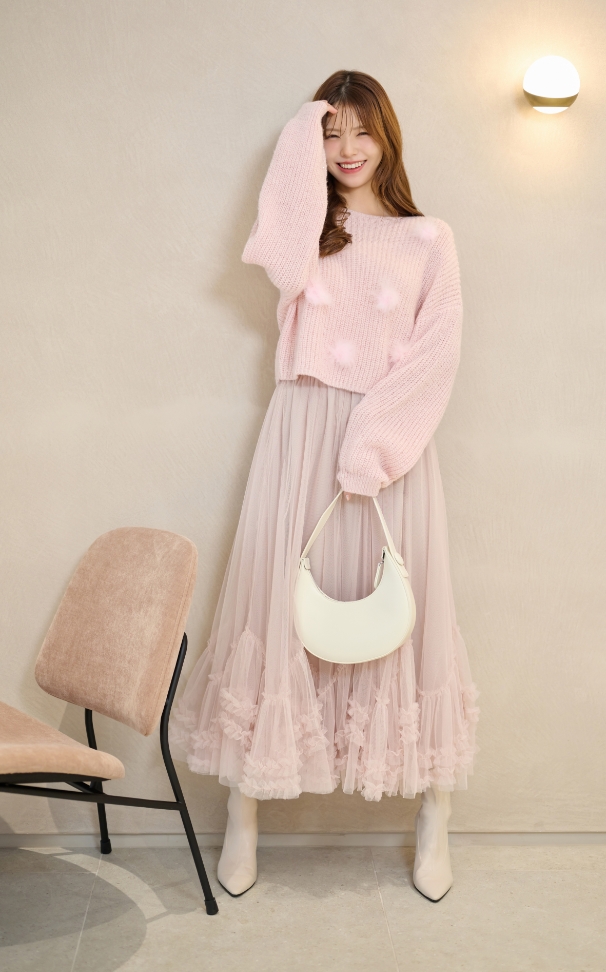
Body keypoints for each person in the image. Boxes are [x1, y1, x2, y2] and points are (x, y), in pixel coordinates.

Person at [169, 69, 480, 902]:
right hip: (301, 431)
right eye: (331, 133)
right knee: (277, 609)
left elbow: (438, 353)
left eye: (361, 130)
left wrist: (373, 445)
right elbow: (274, 249)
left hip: (390, 442)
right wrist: (304, 126)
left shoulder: (429, 239)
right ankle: (244, 813)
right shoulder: (308, 228)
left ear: (388, 136)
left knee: (406, 614)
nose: (347, 149)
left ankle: (434, 813)